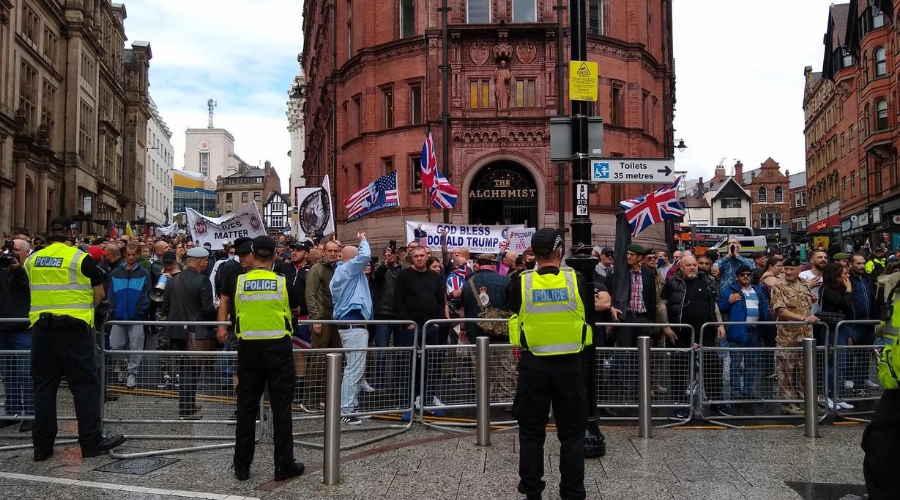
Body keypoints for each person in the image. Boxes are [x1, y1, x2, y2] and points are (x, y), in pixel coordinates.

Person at [25, 216, 125, 461]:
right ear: (72, 233)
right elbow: (99, 294)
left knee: (44, 387)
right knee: (84, 386)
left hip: (41, 328)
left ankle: (42, 446)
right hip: (73, 329)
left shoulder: (32, 259)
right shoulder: (80, 258)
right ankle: (91, 442)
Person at [507, 227, 591, 500]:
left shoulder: (520, 281)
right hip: (570, 366)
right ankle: (572, 493)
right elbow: (588, 312)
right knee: (573, 435)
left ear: (533, 252)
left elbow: (512, 310)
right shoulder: (575, 279)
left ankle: (532, 493)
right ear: (559, 251)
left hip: (534, 366)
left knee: (531, 433)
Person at [221, 236, 304, 482]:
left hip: (248, 348)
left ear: (253, 255)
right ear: (275, 255)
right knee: (281, 408)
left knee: (246, 408)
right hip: (278, 348)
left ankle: (242, 467)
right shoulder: (283, 282)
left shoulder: (239, 282)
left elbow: (232, 310)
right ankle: (283, 465)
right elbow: (296, 310)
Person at [659, 255, 724, 419]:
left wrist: (720, 324)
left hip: (705, 333)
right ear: (681, 267)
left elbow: (714, 305)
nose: (693, 268)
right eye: (689, 265)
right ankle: (681, 405)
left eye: (695, 265)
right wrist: (666, 326)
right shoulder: (672, 282)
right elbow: (662, 305)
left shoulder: (707, 281)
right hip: (680, 333)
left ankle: (716, 402)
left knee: (713, 368)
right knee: (679, 371)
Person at [160, 247, 217, 419]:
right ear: (200, 262)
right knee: (191, 372)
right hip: (196, 332)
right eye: (206, 261)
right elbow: (207, 309)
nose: (207, 264)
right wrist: (216, 321)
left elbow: (165, 307)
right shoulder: (203, 281)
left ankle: (188, 405)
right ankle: (186, 410)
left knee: (184, 369)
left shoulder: (173, 281)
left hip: (176, 331)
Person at [395, 246, 446, 415]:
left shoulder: (434, 276)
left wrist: (437, 322)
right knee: (410, 365)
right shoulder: (403, 275)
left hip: (431, 327)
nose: (419, 258)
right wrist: (407, 323)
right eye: (416, 256)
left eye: (422, 255)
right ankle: (409, 404)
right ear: (412, 258)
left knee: (430, 364)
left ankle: (428, 401)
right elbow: (398, 300)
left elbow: (440, 299)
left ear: (426, 257)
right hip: (411, 328)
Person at [329, 234, 373, 426]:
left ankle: (352, 407)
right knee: (353, 369)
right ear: (352, 259)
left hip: (353, 326)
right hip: (353, 325)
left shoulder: (343, 272)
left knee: (354, 368)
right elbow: (365, 255)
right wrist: (363, 239)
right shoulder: (348, 269)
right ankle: (346, 410)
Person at [770, 257, 819, 415]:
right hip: (788, 338)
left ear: (800, 269)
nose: (788, 272)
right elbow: (781, 311)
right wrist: (804, 319)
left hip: (805, 337)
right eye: (786, 269)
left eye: (792, 269)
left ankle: (805, 402)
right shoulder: (778, 286)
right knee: (786, 373)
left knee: (804, 371)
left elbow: (805, 305)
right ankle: (788, 403)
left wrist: (812, 299)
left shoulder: (804, 283)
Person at [717, 264, 769, 407]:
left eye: (748, 274)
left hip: (754, 331)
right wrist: (729, 301)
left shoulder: (757, 290)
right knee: (735, 364)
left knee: (751, 364)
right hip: (737, 331)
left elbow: (764, 308)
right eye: (742, 275)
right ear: (737, 277)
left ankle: (748, 390)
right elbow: (719, 308)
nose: (746, 276)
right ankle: (735, 391)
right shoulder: (728, 291)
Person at [0, 238, 34, 432]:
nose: (12, 253)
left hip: (23, 327)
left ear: (26, 252)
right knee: (8, 373)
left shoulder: (30, 268)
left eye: (17, 250)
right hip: (3, 327)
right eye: (10, 249)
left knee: (26, 373)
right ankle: (12, 412)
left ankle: (30, 414)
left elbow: (30, 290)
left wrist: (18, 270)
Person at [107, 243, 151, 390]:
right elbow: (110, 293)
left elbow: (147, 294)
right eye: (128, 254)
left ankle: (132, 372)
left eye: (133, 255)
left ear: (137, 254)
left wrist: (139, 310)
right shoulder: (115, 272)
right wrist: (113, 309)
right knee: (115, 345)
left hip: (136, 316)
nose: (131, 257)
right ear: (125, 254)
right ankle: (123, 366)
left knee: (136, 346)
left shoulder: (144, 273)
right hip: (119, 316)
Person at [819, 262, 855, 410]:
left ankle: (836, 395)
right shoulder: (828, 290)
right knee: (833, 363)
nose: (848, 276)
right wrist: (848, 290)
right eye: (844, 274)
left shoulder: (839, 289)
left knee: (841, 363)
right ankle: (826, 395)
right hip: (832, 329)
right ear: (836, 275)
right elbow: (844, 304)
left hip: (843, 328)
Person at [845, 254, 879, 396]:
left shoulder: (866, 279)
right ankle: (850, 381)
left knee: (865, 354)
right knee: (851, 353)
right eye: (858, 263)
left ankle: (862, 380)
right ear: (850, 264)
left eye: (863, 263)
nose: (862, 266)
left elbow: (872, 297)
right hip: (853, 323)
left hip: (868, 322)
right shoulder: (847, 280)